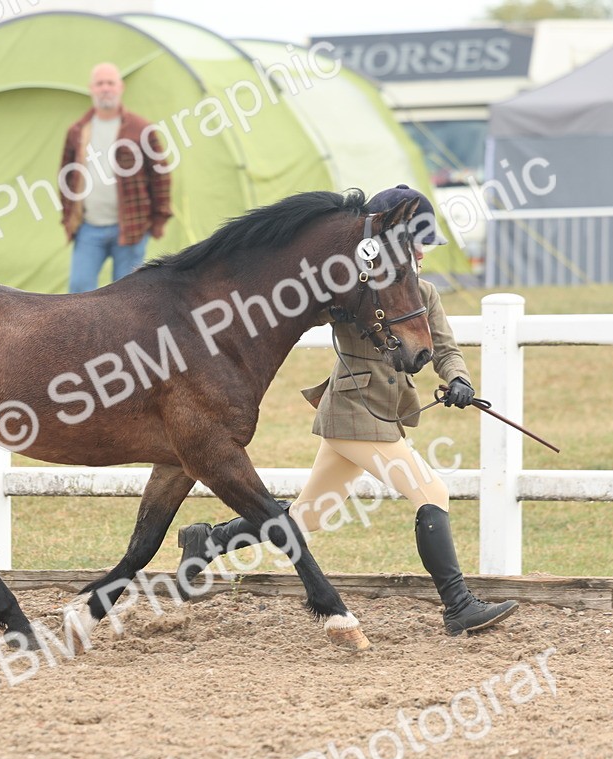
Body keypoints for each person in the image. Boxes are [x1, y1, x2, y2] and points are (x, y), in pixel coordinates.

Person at [177, 184, 519, 638]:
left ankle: (210, 540)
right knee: (432, 493)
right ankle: (458, 605)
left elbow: (445, 347)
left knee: (309, 515)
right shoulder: (352, 291)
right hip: (355, 413)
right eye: (416, 243)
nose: (423, 253)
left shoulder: (423, 293)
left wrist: (459, 380)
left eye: (424, 244)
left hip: (376, 415)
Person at [60, 62, 172, 293]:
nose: (105, 88)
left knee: (127, 296)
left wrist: (159, 219)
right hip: (88, 228)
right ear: (91, 89)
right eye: (100, 83)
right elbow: (66, 176)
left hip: (131, 228)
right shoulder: (78, 131)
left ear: (120, 88)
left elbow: (160, 175)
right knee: (78, 289)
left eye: (110, 83)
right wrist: (68, 217)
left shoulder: (141, 129)